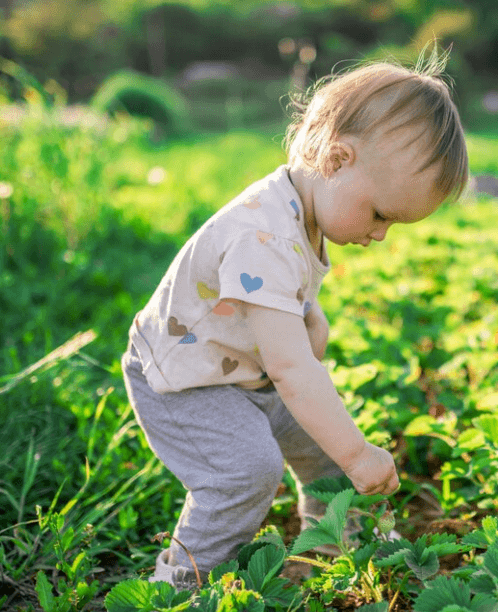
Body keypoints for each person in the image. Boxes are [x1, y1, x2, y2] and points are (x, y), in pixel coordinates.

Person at [120, 45, 468, 586]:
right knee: (248, 471)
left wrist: (309, 310)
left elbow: (280, 288)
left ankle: (340, 539)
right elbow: (293, 370)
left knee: (321, 444)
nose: (379, 235)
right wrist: (358, 453)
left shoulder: (301, 206)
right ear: (335, 159)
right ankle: (185, 583)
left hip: (239, 369)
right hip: (184, 381)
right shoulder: (262, 233)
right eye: (380, 214)